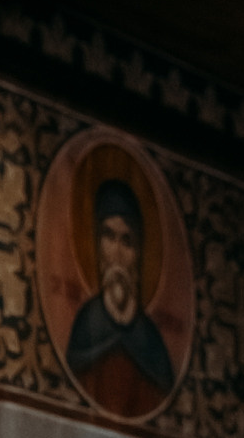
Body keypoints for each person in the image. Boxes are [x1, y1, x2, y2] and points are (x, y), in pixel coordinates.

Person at [59, 166, 177, 422]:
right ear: (97, 243)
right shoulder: (86, 324)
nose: (117, 253)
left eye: (127, 241)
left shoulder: (151, 340)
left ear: (138, 254)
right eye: (109, 237)